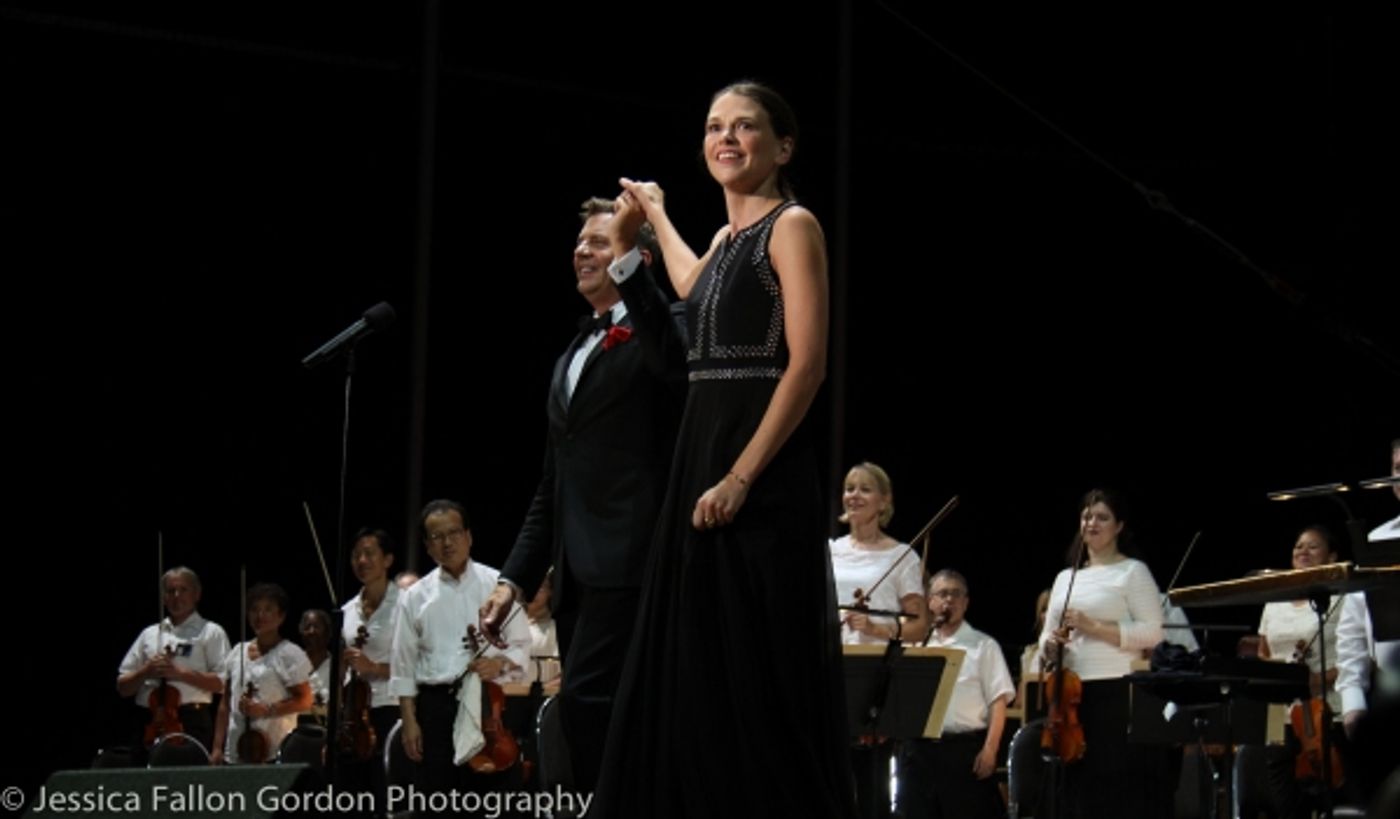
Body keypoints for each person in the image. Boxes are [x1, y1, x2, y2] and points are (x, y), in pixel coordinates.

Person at [591, 81, 858, 818]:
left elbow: (806, 366)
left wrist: (741, 476)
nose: (727, 138)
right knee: (701, 666)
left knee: (757, 670)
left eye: (746, 126)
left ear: (784, 146)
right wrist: (645, 224)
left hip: (758, 471)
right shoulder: (726, 239)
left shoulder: (793, 225)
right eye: (715, 126)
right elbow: (688, 282)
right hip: (699, 460)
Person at [478, 196, 684, 795]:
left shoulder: (664, 325)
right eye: (582, 243)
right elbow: (553, 484)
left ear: (634, 257)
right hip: (578, 576)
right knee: (594, 713)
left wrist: (633, 270)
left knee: (596, 707)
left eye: (600, 242)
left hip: (636, 562)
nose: (582, 251)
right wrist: (511, 581)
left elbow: (672, 364)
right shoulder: (572, 353)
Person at [1037, 488, 1167, 818]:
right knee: (1076, 790)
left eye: (1102, 517)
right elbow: (1044, 639)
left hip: (1117, 690)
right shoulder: (1066, 578)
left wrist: (1093, 626)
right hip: (1072, 694)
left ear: (1119, 526)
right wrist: (1050, 646)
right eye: (1086, 516)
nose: (1092, 522)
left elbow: (1153, 632)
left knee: (1113, 785)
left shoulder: (1133, 572)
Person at [390, 500, 531, 803]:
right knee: (440, 798)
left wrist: (500, 665)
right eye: (437, 537)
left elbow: (522, 647)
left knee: (492, 799)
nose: (447, 542)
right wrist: (409, 721)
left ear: (469, 536)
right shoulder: (415, 597)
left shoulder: (497, 585)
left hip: (488, 703)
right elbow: (403, 663)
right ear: (427, 546)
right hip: (435, 707)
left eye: (454, 532)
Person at [1255, 525, 1354, 816]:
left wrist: (1315, 681)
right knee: (1282, 796)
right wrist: (1277, 678)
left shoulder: (1341, 600)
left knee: (1332, 792)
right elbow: (1263, 650)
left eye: (1313, 546)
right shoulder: (1275, 599)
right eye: (1299, 546)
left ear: (1332, 556)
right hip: (1278, 710)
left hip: (1325, 706)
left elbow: (1356, 655)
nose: (1303, 551)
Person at [900, 569, 1014, 819]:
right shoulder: (917, 645)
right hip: (919, 753)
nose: (948, 600)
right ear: (930, 601)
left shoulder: (983, 645)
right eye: (942, 594)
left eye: (955, 594)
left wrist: (990, 750)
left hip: (963, 751)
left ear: (965, 602)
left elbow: (998, 701)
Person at [1335, 438, 1400, 804]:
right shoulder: (1377, 541)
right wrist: (1353, 703)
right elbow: (1351, 636)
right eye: (1396, 469)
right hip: (1390, 702)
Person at [116, 566, 230, 754]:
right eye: (170, 591)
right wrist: (146, 670)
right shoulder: (149, 634)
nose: (176, 596)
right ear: (163, 597)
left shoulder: (211, 632)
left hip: (191, 720)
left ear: (197, 594)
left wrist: (179, 673)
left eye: (183, 590)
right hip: (149, 721)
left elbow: (223, 684)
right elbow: (123, 687)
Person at [212, 582, 314, 764]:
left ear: (281, 616)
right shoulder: (237, 651)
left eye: (268, 609)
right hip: (236, 749)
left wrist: (267, 710)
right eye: (254, 609)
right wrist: (217, 747)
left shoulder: (289, 653)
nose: (260, 615)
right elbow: (225, 703)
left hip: (274, 750)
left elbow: (305, 700)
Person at [829, 462, 929, 645]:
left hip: (874, 664)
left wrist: (874, 629)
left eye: (865, 489)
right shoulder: (830, 551)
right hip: (829, 660)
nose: (854, 496)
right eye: (849, 489)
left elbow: (920, 627)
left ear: (884, 501)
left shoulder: (902, 556)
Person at [339, 527, 401, 811]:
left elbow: (416, 664)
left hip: (392, 707)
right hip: (355, 713)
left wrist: (373, 666)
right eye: (356, 555)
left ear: (388, 560)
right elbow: (342, 667)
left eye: (369, 554)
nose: (361, 561)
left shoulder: (405, 604)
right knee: (355, 797)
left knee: (387, 791)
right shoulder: (347, 610)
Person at [298, 608, 332, 726]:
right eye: (307, 627)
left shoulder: (338, 667)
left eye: (317, 627)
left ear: (327, 633)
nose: (312, 631)